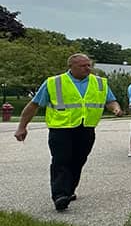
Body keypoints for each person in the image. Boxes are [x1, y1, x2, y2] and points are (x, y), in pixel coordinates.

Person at [14, 53, 123, 211]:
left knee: (78, 160)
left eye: (89, 65)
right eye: (83, 66)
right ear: (71, 66)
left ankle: (69, 190)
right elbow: (34, 105)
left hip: (86, 128)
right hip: (61, 129)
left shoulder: (99, 82)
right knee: (61, 160)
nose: (88, 68)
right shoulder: (54, 82)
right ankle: (59, 195)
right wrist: (22, 126)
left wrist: (116, 108)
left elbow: (110, 100)